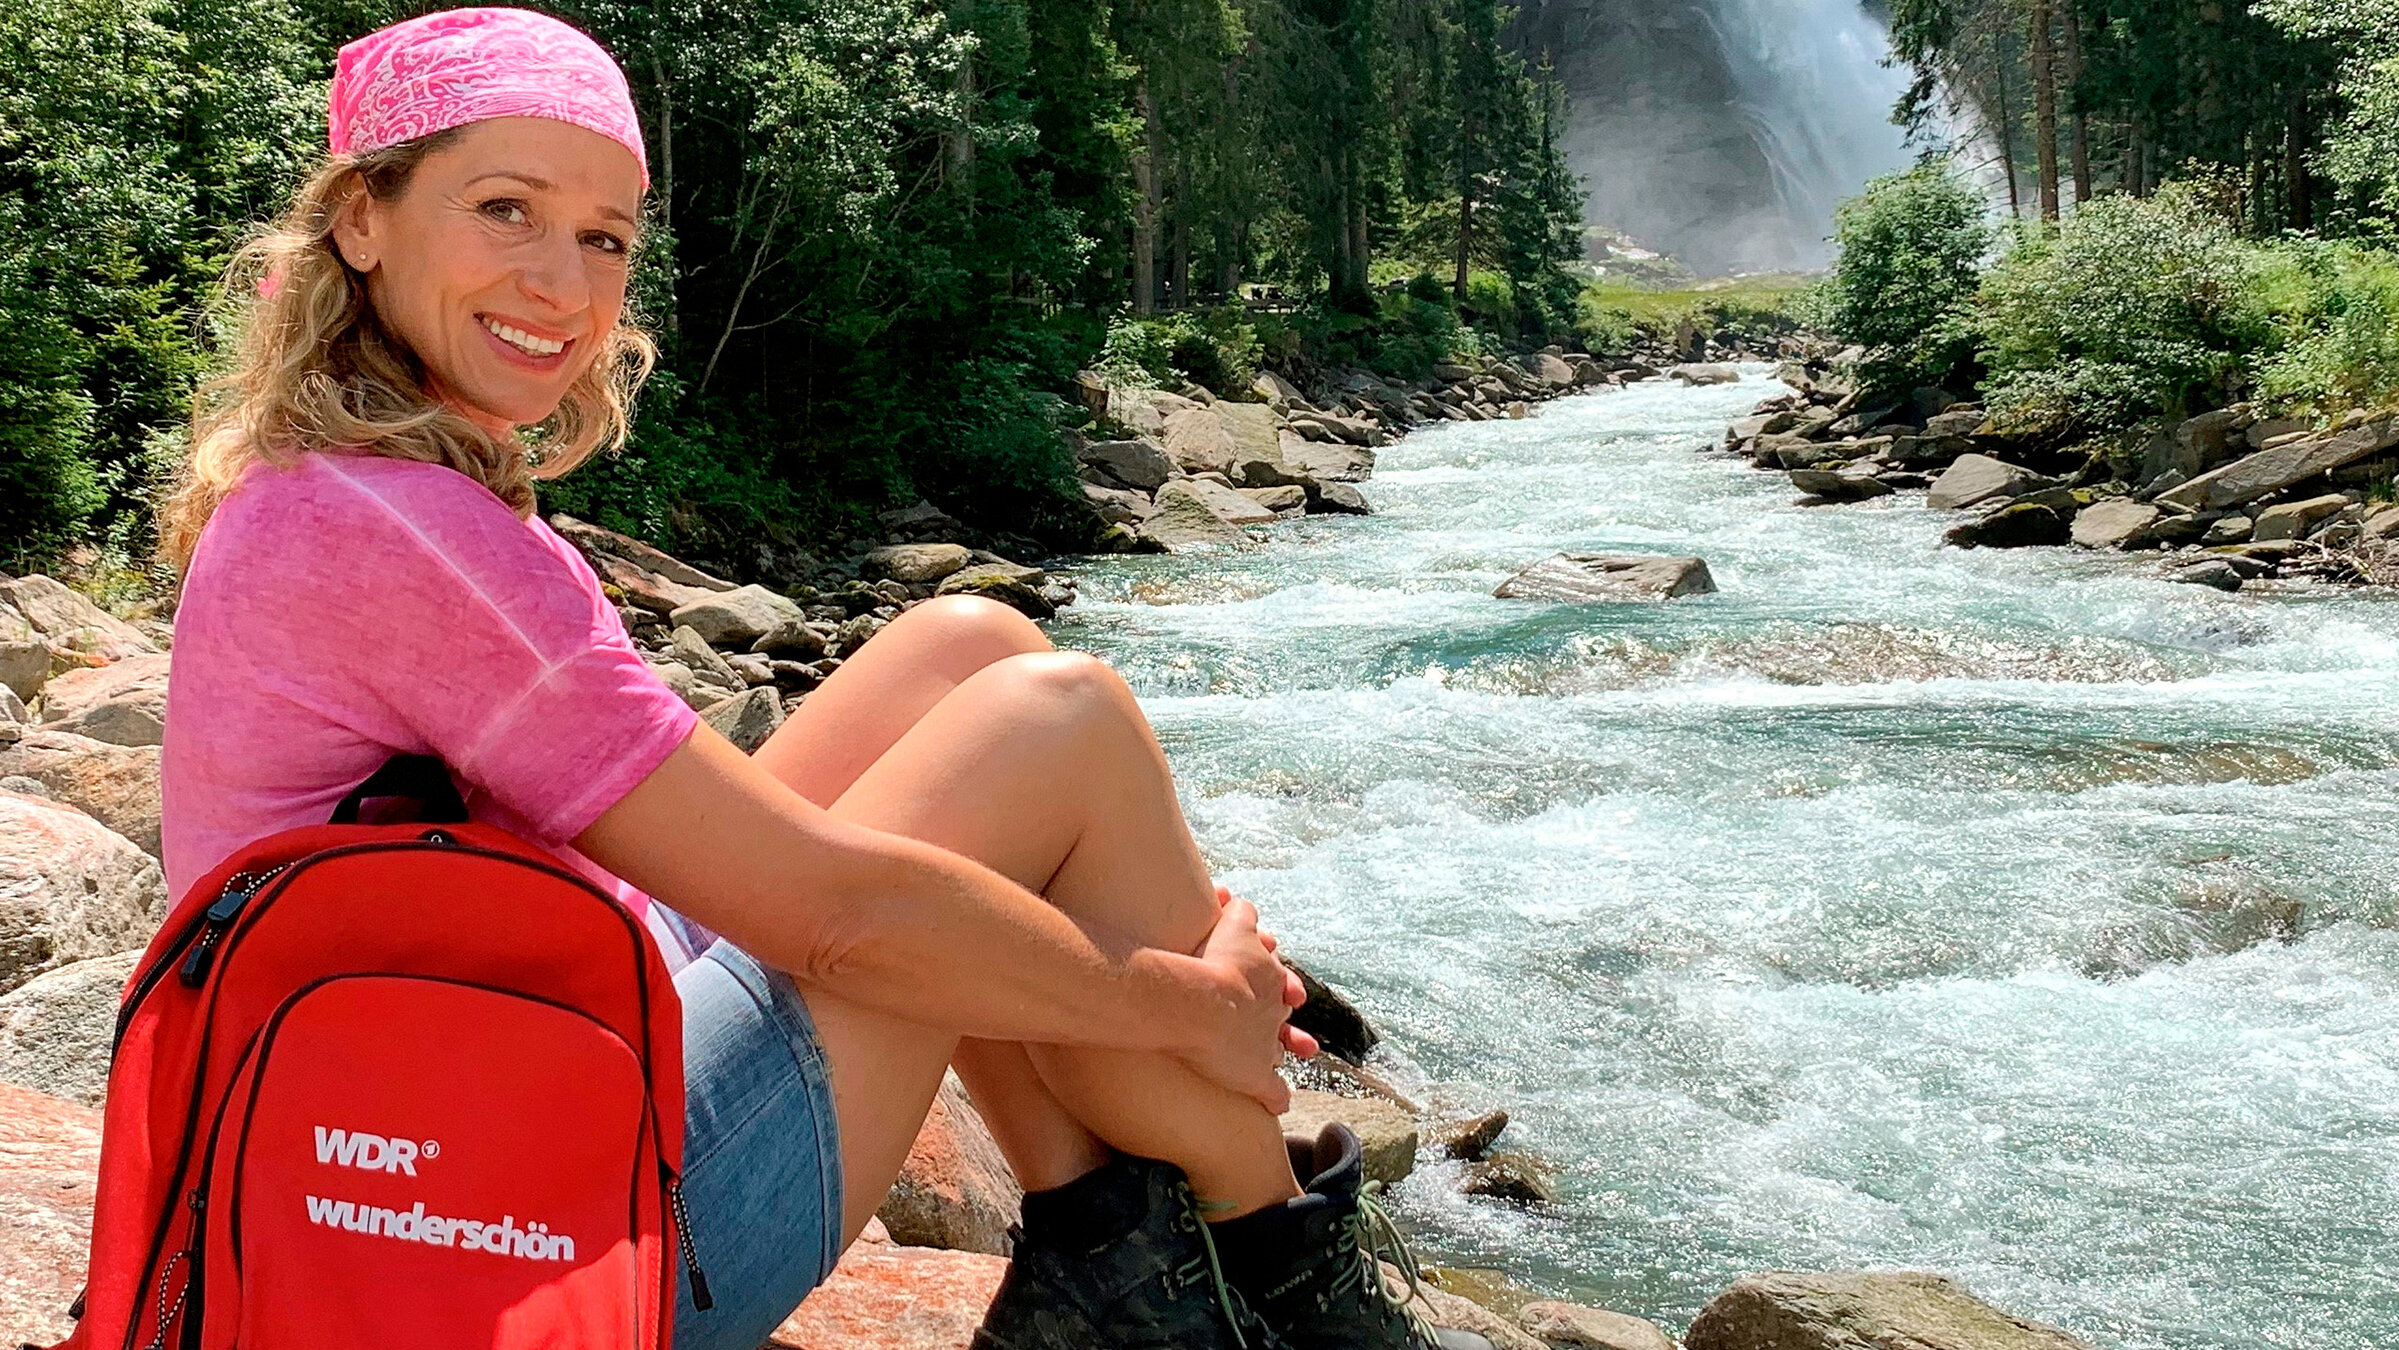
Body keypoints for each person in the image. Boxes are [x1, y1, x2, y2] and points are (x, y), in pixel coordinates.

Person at [154, 10, 1488, 1350]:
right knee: (1059, 722)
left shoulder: (345, 487)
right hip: (500, 1236)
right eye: (506, 209)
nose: (564, 282)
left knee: (974, 644)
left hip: (474, 1106)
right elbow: (841, 920)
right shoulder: (403, 536)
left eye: (605, 237)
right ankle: (1274, 1256)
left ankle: (1111, 1243)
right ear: (364, 220)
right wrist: (1188, 1003)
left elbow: (710, 865)